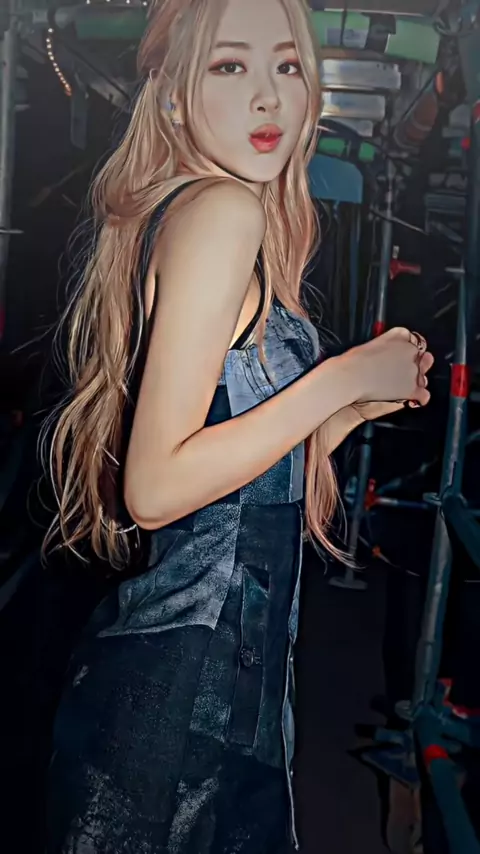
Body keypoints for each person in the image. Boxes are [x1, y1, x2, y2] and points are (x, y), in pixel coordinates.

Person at [43, 0, 433, 851]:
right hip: (181, 705)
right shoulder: (221, 211)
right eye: (230, 65)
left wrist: (348, 407)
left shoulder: (205, 211)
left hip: (213, 684)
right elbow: (155, 489)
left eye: (286, 65)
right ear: (174, 94)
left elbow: (239, 496)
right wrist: (336, 378)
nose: (268, 95)